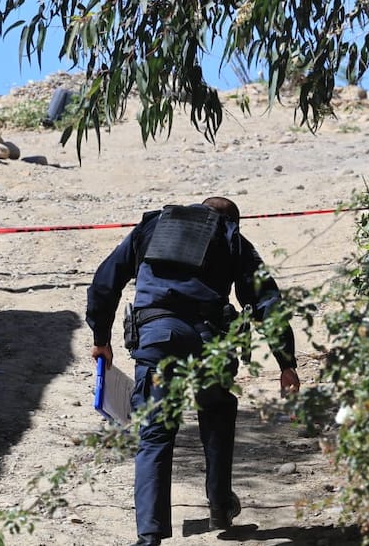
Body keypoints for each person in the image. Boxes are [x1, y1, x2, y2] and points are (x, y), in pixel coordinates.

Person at [85, 197, 300, 546]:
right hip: (209, 341)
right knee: (215, 409)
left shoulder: (151, 227)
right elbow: (265, 302)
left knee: (155, 432)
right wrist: (285, 361)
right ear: (231, 220)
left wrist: (101, 337)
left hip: (157, 337)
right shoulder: (232, 237)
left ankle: (149, 535)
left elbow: (105, 281)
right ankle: (219, 505)